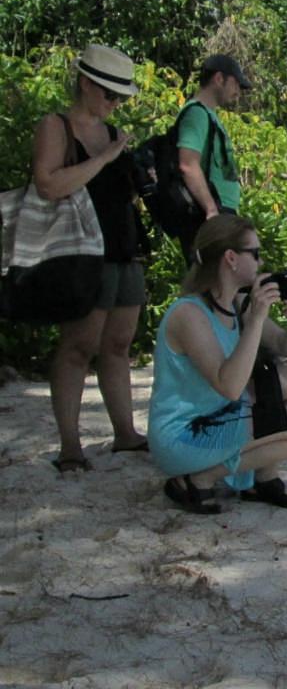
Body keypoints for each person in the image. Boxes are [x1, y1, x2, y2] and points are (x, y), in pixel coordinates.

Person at [149, 215, 287, 513]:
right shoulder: (189, 313)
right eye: (254, 253)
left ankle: (263, 479)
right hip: (185, 435)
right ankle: (199, 478)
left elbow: (285, 347)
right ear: (230, 258)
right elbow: (229, 386)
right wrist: (254, 320)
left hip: (222, 415)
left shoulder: (235, 303)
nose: (261, 261)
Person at [31, 44, 148, 472]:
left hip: (123, 248)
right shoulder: (56, 126)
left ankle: (125, 433)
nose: (115, 104)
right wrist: (104, 159)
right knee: (78, 346)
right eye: (109, 94)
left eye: (121, 97)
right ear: (85, 83)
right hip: (81, 253)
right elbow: (47, 185)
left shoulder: (114, 133)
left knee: (118, 344)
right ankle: (70, 445)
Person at [176, 54, 250, 262]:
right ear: (219, 79)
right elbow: (187, 164)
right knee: (212, 283)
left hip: (220, 212)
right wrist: (211, 211)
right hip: (209, 214)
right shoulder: (196, 113)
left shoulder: (209, 115)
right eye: (236, 84)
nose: (238, 92)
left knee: (227, 285)